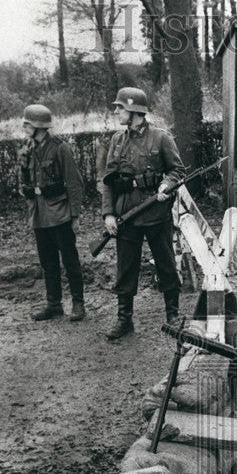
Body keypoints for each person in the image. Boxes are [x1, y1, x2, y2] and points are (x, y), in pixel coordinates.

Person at [101, 87, 185, 340]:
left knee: (166, 264)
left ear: (134, 110)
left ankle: (173, 316)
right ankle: (124, 319)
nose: (116, 111)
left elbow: (177, 171)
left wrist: (165, 186)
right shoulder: (117, 140)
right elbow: (107, 181)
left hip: (156, 212)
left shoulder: (161, 138)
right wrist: (108, 214)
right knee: (126, 269)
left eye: (120, 108)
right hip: (126, 213)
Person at [19, 104, 85, 322]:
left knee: (70, 260)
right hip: (39, 215)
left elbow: (75, 184)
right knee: (48, 263)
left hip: (60, 214)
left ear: (38, 125)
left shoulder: (60, 148)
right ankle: (54, 304)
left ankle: (78, 304)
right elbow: (25, 181)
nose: (24, 126)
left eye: (27, 123)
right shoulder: (28, 148)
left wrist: (75, 216)